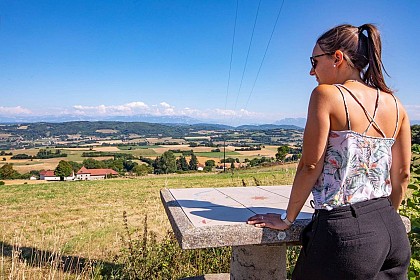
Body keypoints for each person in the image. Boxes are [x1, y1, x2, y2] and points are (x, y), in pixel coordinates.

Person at [247, 23, 411, 279]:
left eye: (314, 61)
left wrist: (287, 219)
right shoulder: (397, 105)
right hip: (392, 232)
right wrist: (387, 216)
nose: (311, 71)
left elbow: (310, 165)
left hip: (346, 233)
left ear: (337, 58)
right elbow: (402, 173)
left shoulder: (327, 95)